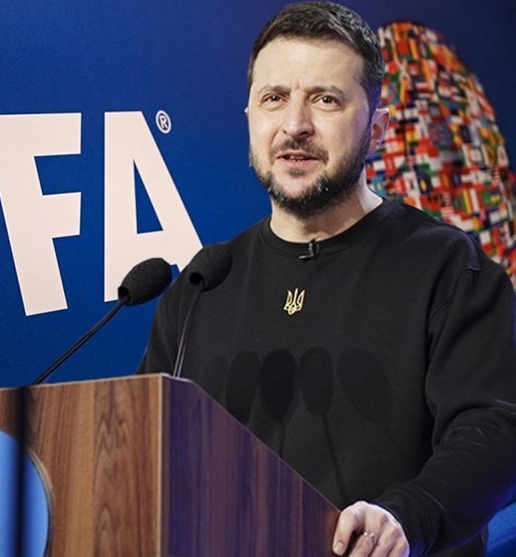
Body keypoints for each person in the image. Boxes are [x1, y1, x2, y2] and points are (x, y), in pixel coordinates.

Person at [137, 2, 516, 556]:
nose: (295, 125)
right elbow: (146, 448)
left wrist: (407, 516)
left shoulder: (449, 269)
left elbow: (494, 431)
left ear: (377, 129)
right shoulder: (202, 286)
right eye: (274, 98)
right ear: (250, 118)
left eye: (325, 99)